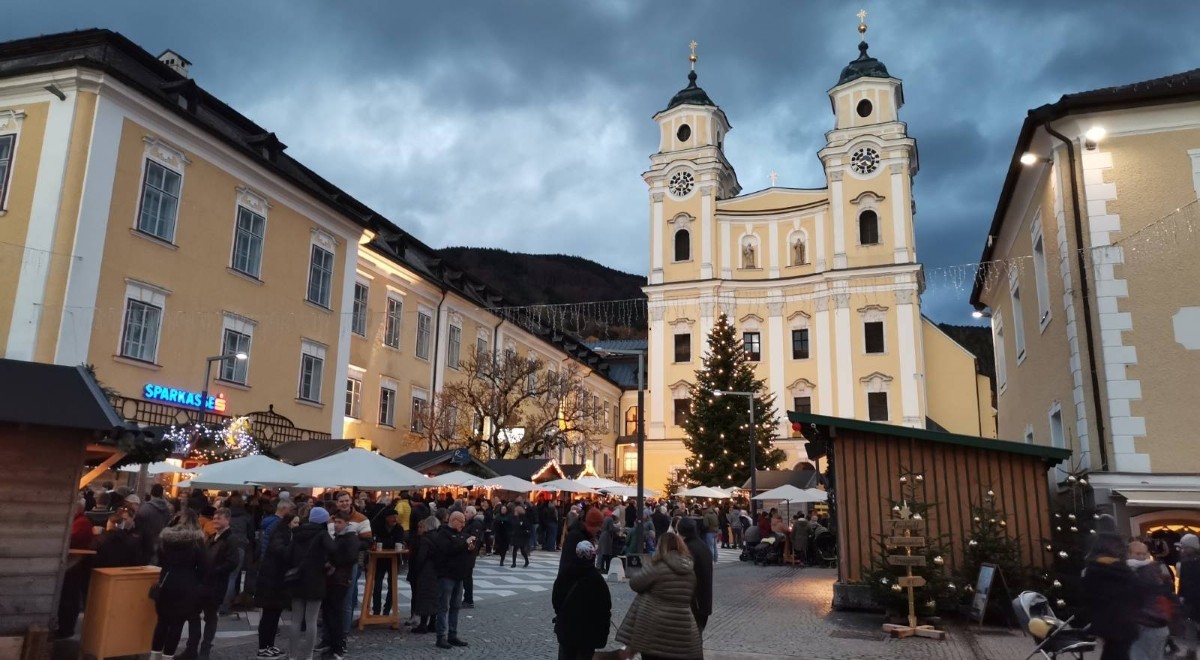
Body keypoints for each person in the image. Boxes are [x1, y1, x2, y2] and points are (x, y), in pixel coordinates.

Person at [615, 531, 704, 660]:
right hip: (681, 624)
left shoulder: (657, 566)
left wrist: (646, 566)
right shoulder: (689, 570)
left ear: (661, 546)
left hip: (654, 624)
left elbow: (635, 584)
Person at [179, 508, 238, 660]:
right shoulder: (212, 537)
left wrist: (214, 571)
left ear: (227, 520)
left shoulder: (230, 539)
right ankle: (191, 649)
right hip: (202, 583)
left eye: (219, 518)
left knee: (210, 617)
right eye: (214, 518)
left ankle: (205, 650)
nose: (215, 520)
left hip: (215, 585)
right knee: (193, 615)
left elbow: (232, 563)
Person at [150, 511, 208, 660]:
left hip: (166, 583)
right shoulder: (196, 541)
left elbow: (159, 561)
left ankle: (154, 656)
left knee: (162, 622)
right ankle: (167, 657)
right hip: (186, 586)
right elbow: (203, 566)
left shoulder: (166, 538)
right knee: (177, 624)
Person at [1082, 531, 1143, 660]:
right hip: (1123, 621)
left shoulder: (1093, 568)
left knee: (1112, 652)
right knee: (1117, 653)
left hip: (1108, 622)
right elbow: (1136, 590)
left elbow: (1088, 596)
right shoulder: (1119, 568)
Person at [286, 506, 336, 660]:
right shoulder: (322, 534)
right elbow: (334, 550)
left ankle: (292, 655)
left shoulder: (297, 533)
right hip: (315, 579)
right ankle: (308, 656)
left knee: (295, 620)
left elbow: (288, 554)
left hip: (297, 579)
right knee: (311, 621)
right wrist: (329, 564)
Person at [552, 539, 611, 660]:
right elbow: (605, 608)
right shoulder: (597, 580)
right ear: (593, 557)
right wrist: (603, 631)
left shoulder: (565, 574)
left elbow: (556, 600)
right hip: (588, 633)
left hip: (567, 629)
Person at [430, 511, 475, 649]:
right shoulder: (443, 534)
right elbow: (449, 550)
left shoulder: (461, 534)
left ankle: (452, 634)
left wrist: (470, 548)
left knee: (455, 607)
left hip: (459, 575)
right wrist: (464, 544)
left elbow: (463, 550)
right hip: (446, 575)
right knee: (444, 606)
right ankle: (441, 636)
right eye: (461, 522)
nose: (463, 525)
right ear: (454, 520)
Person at [254, 512, 296, 659]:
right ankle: (263, 647)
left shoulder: (285, 534)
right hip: (271, 582)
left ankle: (269, 645)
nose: (297, 525)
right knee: (269, 615)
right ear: (288, 523)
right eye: (295, 522)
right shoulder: (281, 535)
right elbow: (280, 552)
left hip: (277, 582)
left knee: (275, 615)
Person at [323, 511, 360, 660]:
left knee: (336, 613)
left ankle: (338, 647)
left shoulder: (350, 537)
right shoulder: (340, 536)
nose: (336, 525)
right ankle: (333, 645)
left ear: (346, 523)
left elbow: (351, 557)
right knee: (330, 613)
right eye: (335, 522)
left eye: (340, 522)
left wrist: (333, 562)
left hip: (341, 579)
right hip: (333, 579)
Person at [1128, 540, 1173, 660]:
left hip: (1148, 621)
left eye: (1144, 553)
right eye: (1138, 553)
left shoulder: (1152, 569)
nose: (1141, 557)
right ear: (1129, 554)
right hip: (1151, 621)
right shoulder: (1153, 568)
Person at [677, 517, 714, 634]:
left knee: (691, 638)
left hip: (694, 603)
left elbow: (683, 574)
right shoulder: (702, 545)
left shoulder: (688, 548)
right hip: (703, 602)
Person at [407, 516, 440, 633]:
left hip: (426, 571)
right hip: (437, 570)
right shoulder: (439, 537)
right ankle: (433, 623)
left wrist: (416, 568)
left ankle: (423, 625)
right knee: (434, 596)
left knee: (424, 597)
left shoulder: (425, 539)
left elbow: (421, 557)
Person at [370, 509, 405, 616]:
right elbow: (376, 540)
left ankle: (387, 609)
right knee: (377, 584)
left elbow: (399, 541)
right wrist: (390, 542)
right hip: (380, 559)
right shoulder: (379, 527)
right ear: (386, 518)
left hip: (393, 559)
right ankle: (376, 609)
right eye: (393, 517)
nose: (395, 519)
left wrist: (386, 542)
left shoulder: (399, 528)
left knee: (392, 585)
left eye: (396, 516)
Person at [137, 484, 173, 563]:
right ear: (161, 494)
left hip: (146, 542)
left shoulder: (146, 508)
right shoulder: (167, 509)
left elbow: (139, 522)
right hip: (160, 540)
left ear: (151, 493)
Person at [461, 506, 484, 608]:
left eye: (467, 512)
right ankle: (467, 599)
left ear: (472, 513)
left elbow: (474, 538)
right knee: (466, 578)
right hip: (467, 554)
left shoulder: (476, 524)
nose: (465, 514)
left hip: (469, 555)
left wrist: (468, 544)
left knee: (467, 578)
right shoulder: (470, 523)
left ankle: (469, 600)